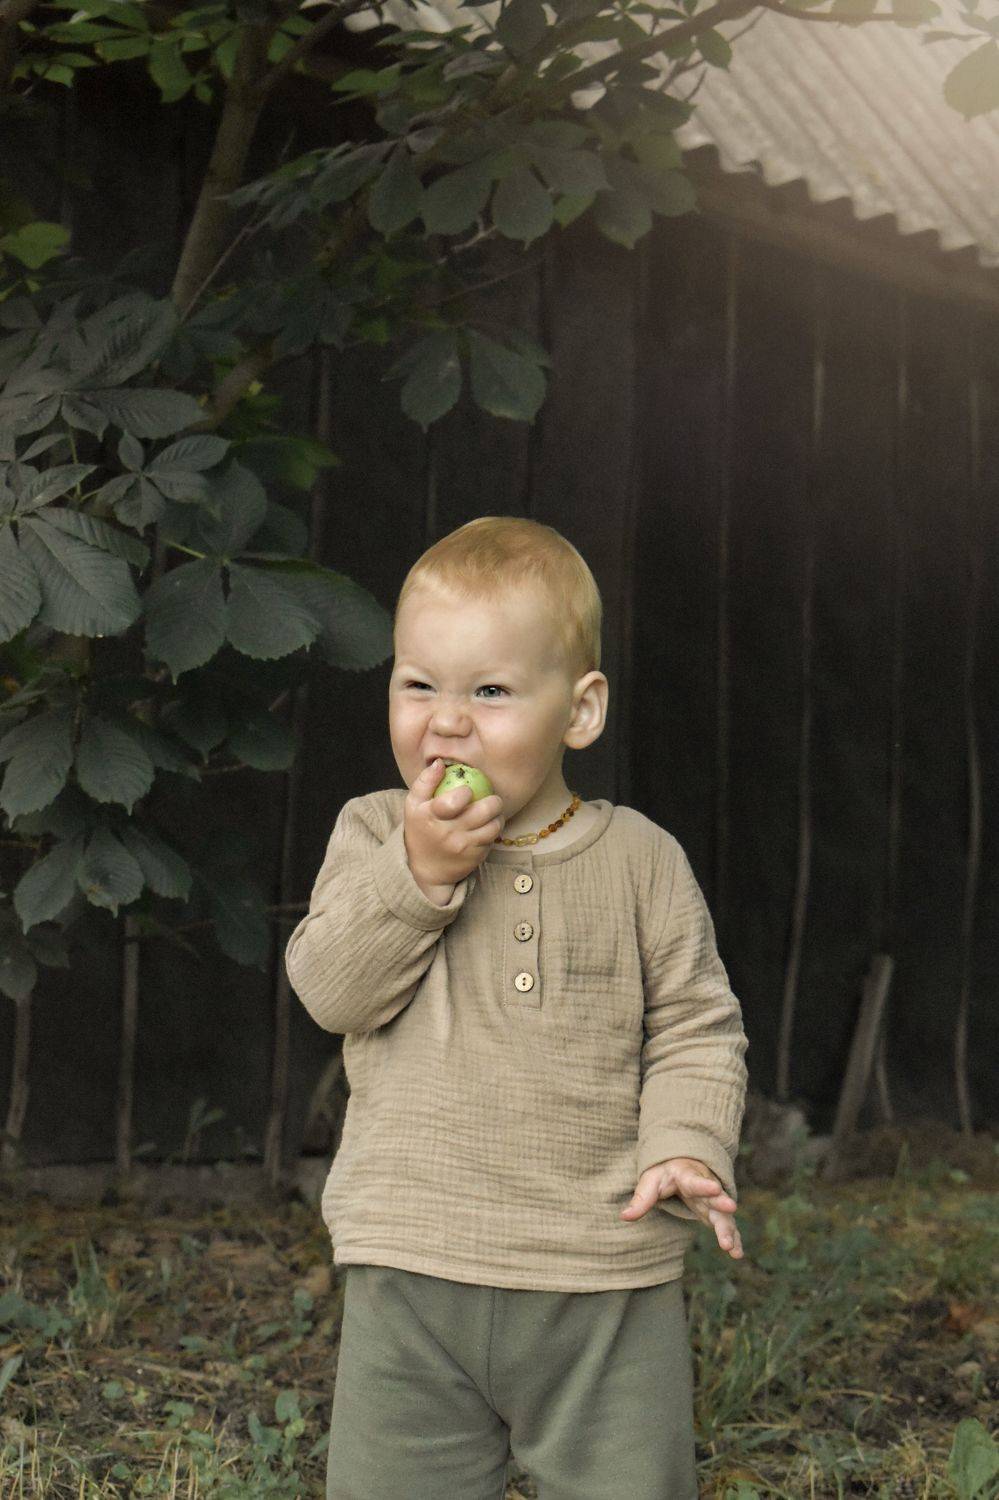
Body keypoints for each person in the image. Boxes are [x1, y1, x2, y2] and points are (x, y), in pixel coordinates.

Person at [285, 515, 750, 1500]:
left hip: (602, 1276)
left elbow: (696, 1027)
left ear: (580, 711)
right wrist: (419, 873)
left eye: (489, 691)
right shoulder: (372, 833)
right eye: (419, 685)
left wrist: (686, 1141)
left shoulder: (642, 861)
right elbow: (331, 991)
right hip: (411, 1269)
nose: (447, 721)